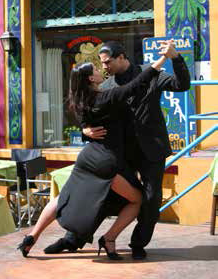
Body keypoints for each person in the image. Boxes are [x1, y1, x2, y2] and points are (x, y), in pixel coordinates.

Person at [44, 39, 190, 259]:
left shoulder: (151, 73)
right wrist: (85, 130)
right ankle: (72, 239)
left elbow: (182, 85)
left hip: (152, 149)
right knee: (100, 195)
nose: (104, 67)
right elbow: (90, 112)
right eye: (101, 64)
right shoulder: (106, 86)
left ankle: (138, 244)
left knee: (150, 198)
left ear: (122, 57)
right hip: (121, 153)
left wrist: (176, 58)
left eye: (107, 62)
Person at [17, 48, 169, 259]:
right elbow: (136, 85)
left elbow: (85, 123)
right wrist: (162, 59)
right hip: (106, 161)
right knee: (137, 200)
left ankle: (31, 237)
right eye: (96, 68)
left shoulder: (78, 100)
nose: (101, 69)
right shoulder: (106, 96)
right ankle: (109, 238)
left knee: (63, 198)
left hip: (87, 158)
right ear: (90, 78)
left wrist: (84, 130)